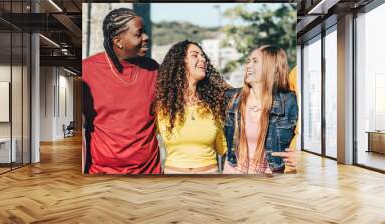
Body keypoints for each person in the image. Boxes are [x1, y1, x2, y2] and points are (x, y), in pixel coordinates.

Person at [82, 8, 161, 174]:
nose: (146, 38)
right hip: (103, 175)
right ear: (118, 41)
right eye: (139, 34)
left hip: (149, 174)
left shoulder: (154, 69)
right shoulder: (87, 71)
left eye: (145, 32)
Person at [154, 40, 229, 174]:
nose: (203, 59)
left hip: (209, 181)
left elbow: (224, 148)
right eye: (195, 55)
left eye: (203, 56)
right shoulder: (162, 106)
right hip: (173, 182)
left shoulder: (214, 103)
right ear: (181, 62)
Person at [223, 45, 298, 174]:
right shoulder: (231, 98)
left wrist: (301, 155)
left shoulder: (289, 101)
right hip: (233, 174)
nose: (248, 66)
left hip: (271, 182)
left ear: (273, 66)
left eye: (255, 61)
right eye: (248, 61)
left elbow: (306, 136)